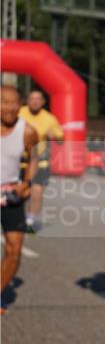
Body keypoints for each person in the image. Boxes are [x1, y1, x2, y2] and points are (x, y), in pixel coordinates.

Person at [1, 85, 39, 314]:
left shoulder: (28, 131)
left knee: (14, 250)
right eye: (4, 101)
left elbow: (35, 157)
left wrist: (27, 183)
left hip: (11, 195)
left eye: (15, 102)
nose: (10, 107)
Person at [18, 89, 63, 232]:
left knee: (36, 191)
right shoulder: (19, 112)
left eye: (38, 99)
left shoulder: (49, 119)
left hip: (40, 161)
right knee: (18, 193)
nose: (35, 101)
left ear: (43, 102)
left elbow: (61, 139)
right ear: (27, 100)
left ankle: (31, 220)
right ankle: (12, 217)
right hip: (19, 160)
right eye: (32, 98)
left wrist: (54, 137)